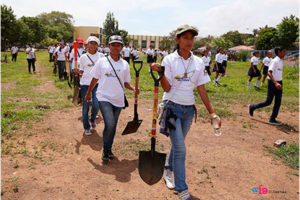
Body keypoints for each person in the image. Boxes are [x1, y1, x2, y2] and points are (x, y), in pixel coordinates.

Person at [151, 24, 221, 200]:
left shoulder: (198, 62)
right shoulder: (169, 60)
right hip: (172, 108)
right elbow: (167, 88)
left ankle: (167, 169)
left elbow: (202, 89)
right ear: (178, 40)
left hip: (189, 110)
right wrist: (161, 74)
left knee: (178, 145)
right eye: (185, 38)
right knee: (181, 149)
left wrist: (212, 112)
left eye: (191, 38)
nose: (189, 41)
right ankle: (182, 190)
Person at [85, 35, 137, 161]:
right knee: (110, 123)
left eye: (118, 45)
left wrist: (133, 89)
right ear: (108, 47)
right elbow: (95, 78)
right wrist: (88, 93)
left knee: (112, 126)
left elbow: (125, 83)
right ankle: (106, 150)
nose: (115, 47)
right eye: (113, 44)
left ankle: (108, 150)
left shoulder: (125, 64)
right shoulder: (102, 61)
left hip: (118, 99)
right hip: (104, 97)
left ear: (122, 47)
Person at [249, 47, 286, 125]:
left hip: (279, 83)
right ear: (279, 52)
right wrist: (275, 83)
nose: (285, 53)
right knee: (268, 102)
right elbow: (269, 73)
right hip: (273, 83)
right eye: (283, 51)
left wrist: (279, 83)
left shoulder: (281, 61)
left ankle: (272, 119)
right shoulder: (274, 61)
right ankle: (253, 107)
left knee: (278, 102)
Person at [79, 36, 104, 136]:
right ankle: (86, 127)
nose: (92, 45)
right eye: (91, 43)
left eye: (95, 43)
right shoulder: (83, 57)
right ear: (87, 45)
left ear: (97, 45)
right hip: (85, 84)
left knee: (96, 104)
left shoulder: (102, 56)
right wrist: (77, 72)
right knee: (85, 107)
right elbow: (81, 71)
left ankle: (92, 118)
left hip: (97, 84)